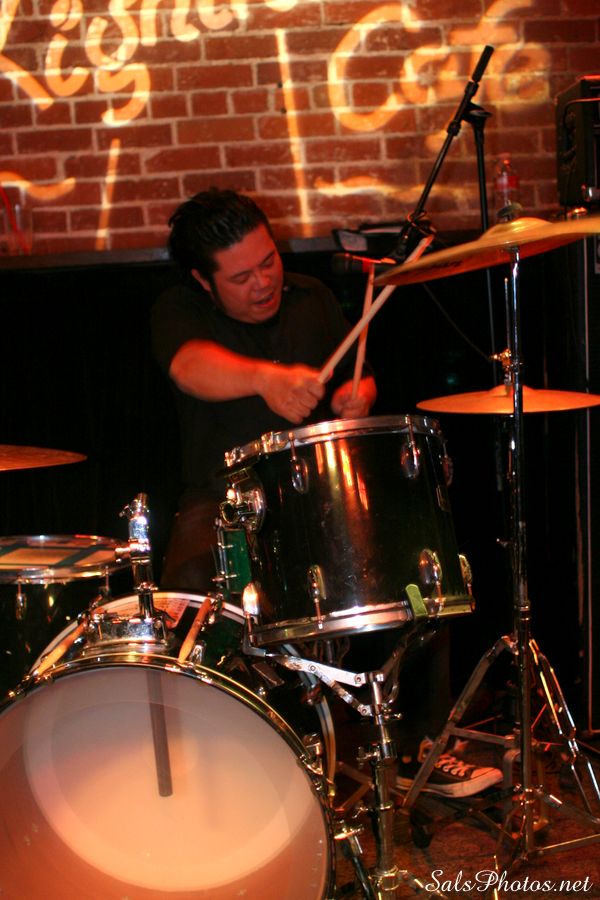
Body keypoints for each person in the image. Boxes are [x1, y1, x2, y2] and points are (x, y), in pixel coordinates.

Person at [152, 188, 501, 799]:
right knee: (187, 589)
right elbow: (189, 366)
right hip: (226, 495)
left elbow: (357, 380)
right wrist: (266, 380)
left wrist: (357, 395)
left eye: (268, 261)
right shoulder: (178, 308)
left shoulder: (311, 297)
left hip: (320, 488)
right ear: (204, 282)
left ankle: (421, 747)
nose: (263, 281)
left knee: (415, 566)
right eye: (241, 277)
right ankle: (206, 766)